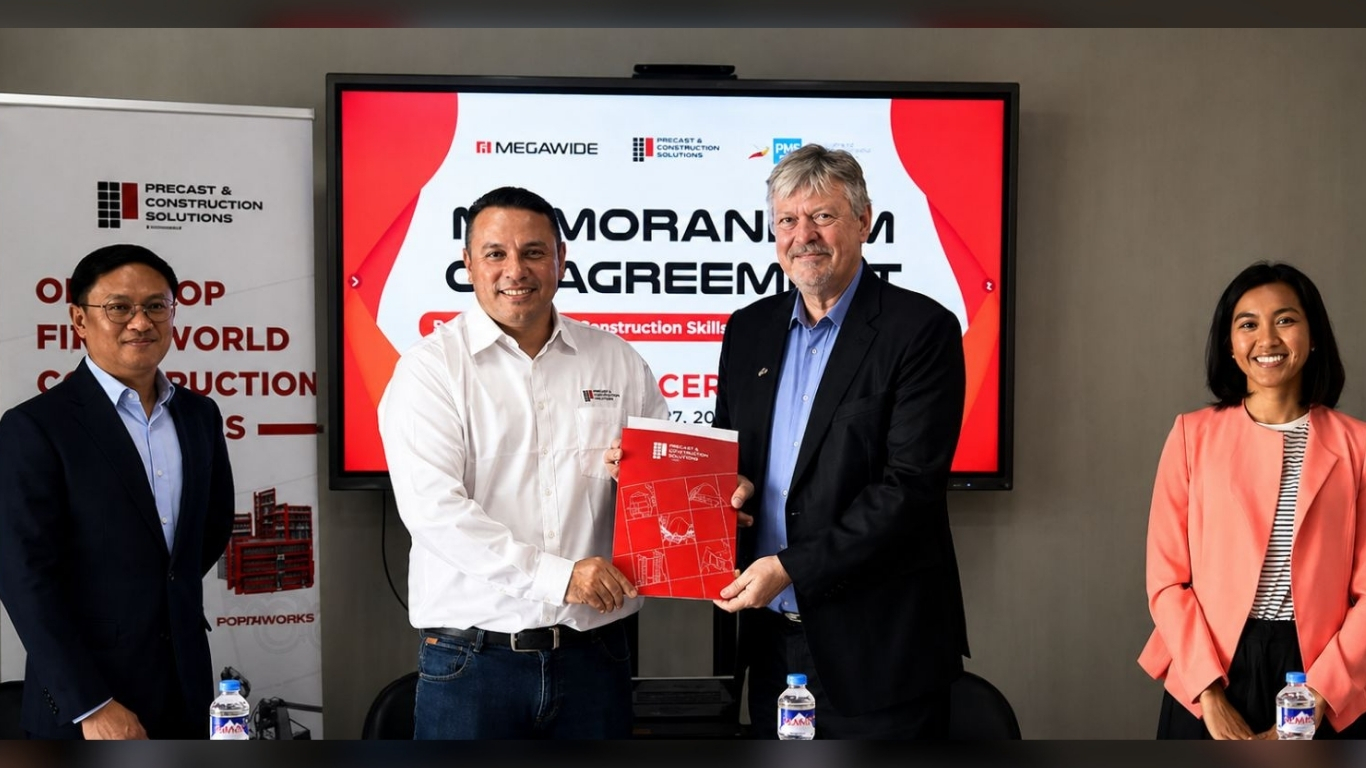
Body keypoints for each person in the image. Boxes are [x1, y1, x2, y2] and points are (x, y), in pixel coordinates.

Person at [377, 186, 669, 739]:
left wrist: (701, 499)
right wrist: (561, 578)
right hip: (473, 664)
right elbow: (435, 512)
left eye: (534, 252)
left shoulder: (617, 361)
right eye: (496, 253)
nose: (516, 270)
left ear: (561, 259)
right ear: (468, 264)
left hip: (595, 659)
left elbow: (666, 476)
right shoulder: (430, 371)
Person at [709, 143, 970, 738]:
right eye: (787, 220)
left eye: (822, 216)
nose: (803, 236)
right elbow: (733, 460)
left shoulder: (920, 330)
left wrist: (790, 567)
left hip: (879, 650)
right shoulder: (748, 329)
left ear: (863, 221)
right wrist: (728, 486)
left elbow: (909, 489)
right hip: (769, 642)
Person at [0, 244, 235, 740]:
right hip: (90, 704)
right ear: (79, 320)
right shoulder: (36, 427)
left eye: (156, 306)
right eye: (119, 307)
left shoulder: (199, 415)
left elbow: (210, 530)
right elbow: (23, 577)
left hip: (187, 686)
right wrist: (91, 705)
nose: (140, 322)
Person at [1140, 261, 1366, 739]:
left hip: (1322, 671)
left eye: (1285, 319)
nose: (1267, 339)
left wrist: (1315, 698)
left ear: (1313, 335)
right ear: (1230, 344)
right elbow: (1167, 582)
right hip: (1208, 665)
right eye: (1248, 324)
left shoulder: (1358, 446)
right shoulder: (1191, 436)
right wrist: (1209, 696)